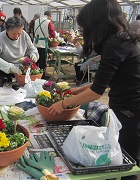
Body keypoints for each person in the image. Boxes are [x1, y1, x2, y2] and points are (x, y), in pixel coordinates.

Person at [48, 1, 140, 179]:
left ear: (96, 24)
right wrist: (76, 92)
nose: (85, 32)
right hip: (127, 109)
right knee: (120, 157)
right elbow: (104, 82)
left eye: (85, 27)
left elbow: (97, 92)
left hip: (131, 112)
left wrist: (64, 103)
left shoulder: (115, 43)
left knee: (129, 166)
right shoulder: (122, 39)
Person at [34, 11, 56, 79]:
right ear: (49, 16)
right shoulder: (48, 22)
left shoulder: (37, 20)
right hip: (43, 43)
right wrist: (54, 37)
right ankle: (42, 76)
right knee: (42, 62)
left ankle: (34, 74)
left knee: (36, 60)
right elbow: (52, 33)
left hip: (35, 42)